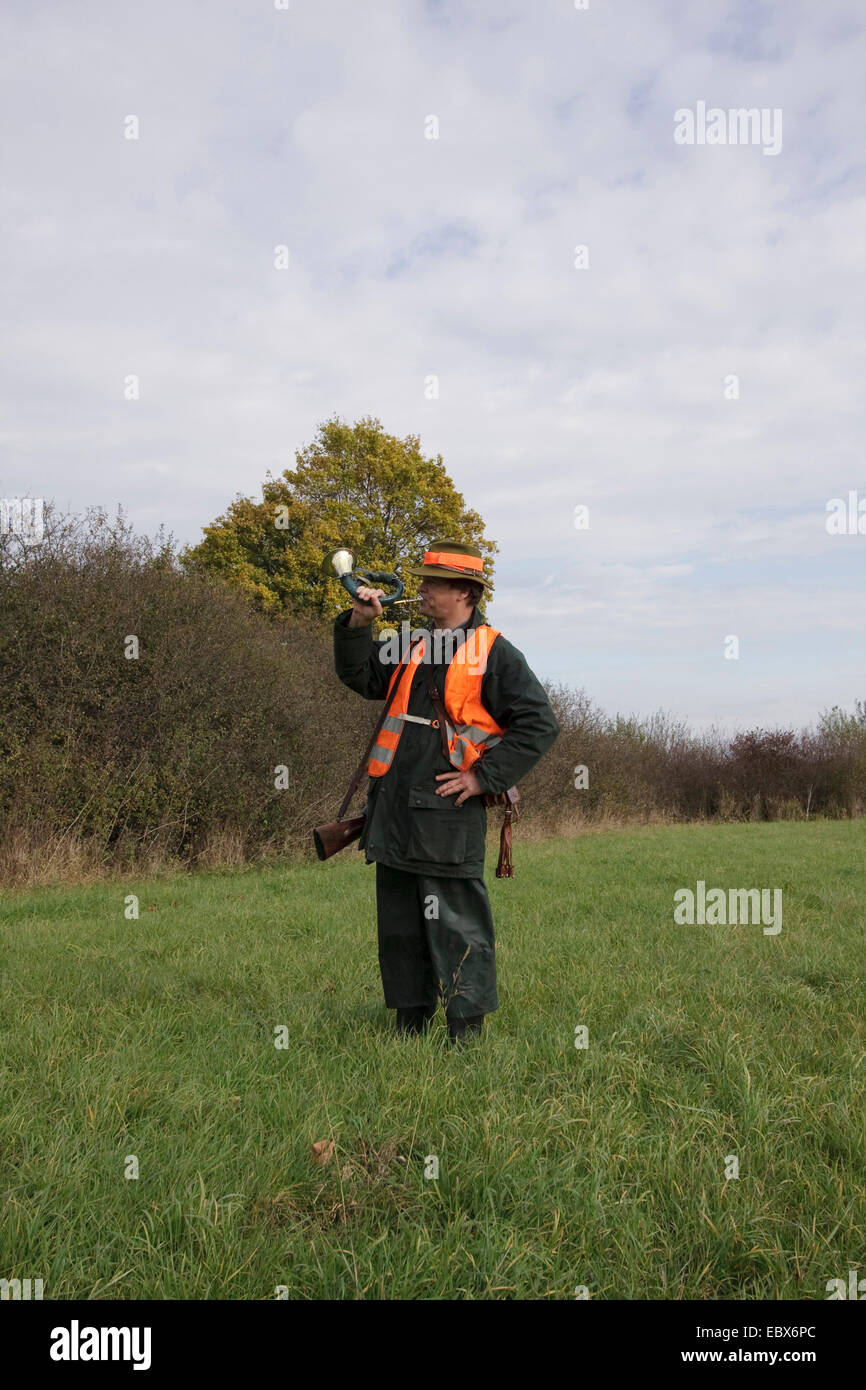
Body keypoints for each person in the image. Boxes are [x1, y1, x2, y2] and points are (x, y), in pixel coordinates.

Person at [333, 539, 559, 1046]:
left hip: (447, 812)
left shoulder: (496, 652)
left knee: (456, 923)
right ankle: (409, 1024)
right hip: (393, 805)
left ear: (463, 591)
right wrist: (359, 622)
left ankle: (465, 1032)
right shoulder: (411, 641)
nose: (421, 589)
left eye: (431, 582)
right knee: (399, 923)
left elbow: (539, 725)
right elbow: (359, 675)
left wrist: (483, 778)